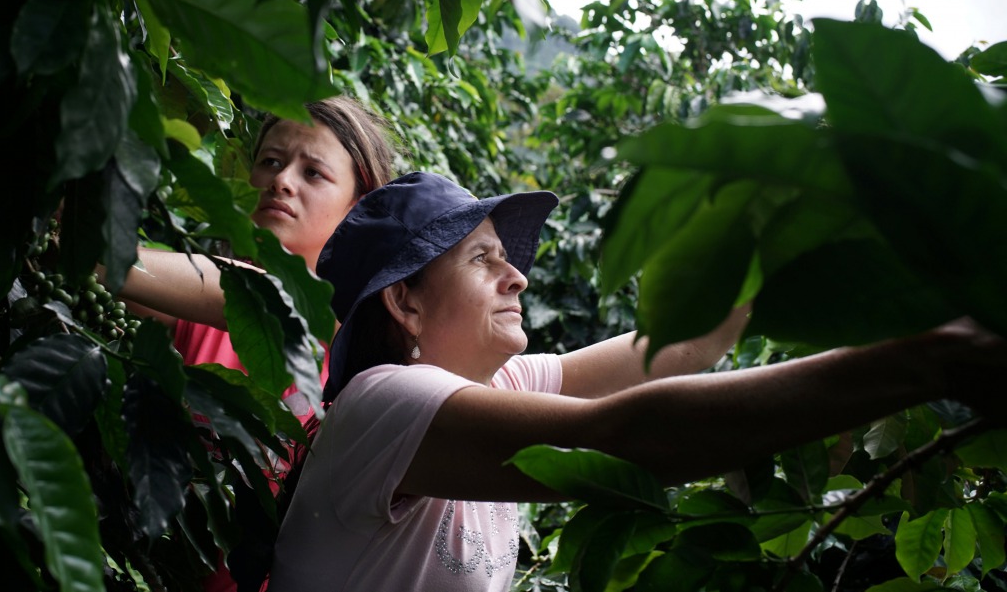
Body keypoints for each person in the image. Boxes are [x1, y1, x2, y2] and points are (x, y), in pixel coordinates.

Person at [268, 172, 1005, 592]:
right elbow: (623, 436)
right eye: (483, 259)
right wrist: (926, 360)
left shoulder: (501, 380)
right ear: (405, 301)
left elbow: (673, 346)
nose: (517, 274)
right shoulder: (383, 400)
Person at [111, 96, 399, 592]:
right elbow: (85, 255)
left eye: (314, 173)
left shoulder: (368, 353)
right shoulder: (194, 297)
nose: (281, 181)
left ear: (361, 206)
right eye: (271, 161)